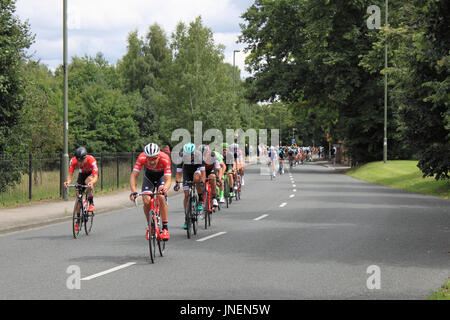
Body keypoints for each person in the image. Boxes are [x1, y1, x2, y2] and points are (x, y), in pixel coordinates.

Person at [129, 143, 171, 241]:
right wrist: (133, 191)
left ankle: (165, 228)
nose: (152, 161)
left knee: (161, 197)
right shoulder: (141, 157)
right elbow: (134, 175)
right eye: (149, 159)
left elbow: (168, 179)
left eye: (154, 158)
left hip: (161, 177)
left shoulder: (165, 158)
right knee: (146, 199)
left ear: (158, 155)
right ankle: (150, 226)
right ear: (146, 156)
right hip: (149, 177)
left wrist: (165, 188)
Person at [64, 147, 99, 231]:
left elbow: (96, 177)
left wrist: (92, 183)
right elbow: (70, 173)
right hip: (82, 174)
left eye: (81, 161)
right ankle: (78, 221)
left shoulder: (92, 161)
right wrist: (68, 181)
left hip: (91, 175)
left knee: (88, 182)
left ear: (85, 158)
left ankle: (91, 202)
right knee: (78, 194)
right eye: (78, 161)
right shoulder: (73, 161)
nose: (80, 163)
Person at [174, 143, 206, 229]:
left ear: (194, 152)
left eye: (191, 154)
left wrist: (202, 182)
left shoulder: (199, 155)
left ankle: (200, 198)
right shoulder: (181, 157)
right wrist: (177, 183)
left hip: (197, 170)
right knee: (186, 194)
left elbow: (203, 173)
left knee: (196, 178)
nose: (190, 156)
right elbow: (178, 173)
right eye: (188, 155)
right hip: (187, 172)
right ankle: (187, 218)